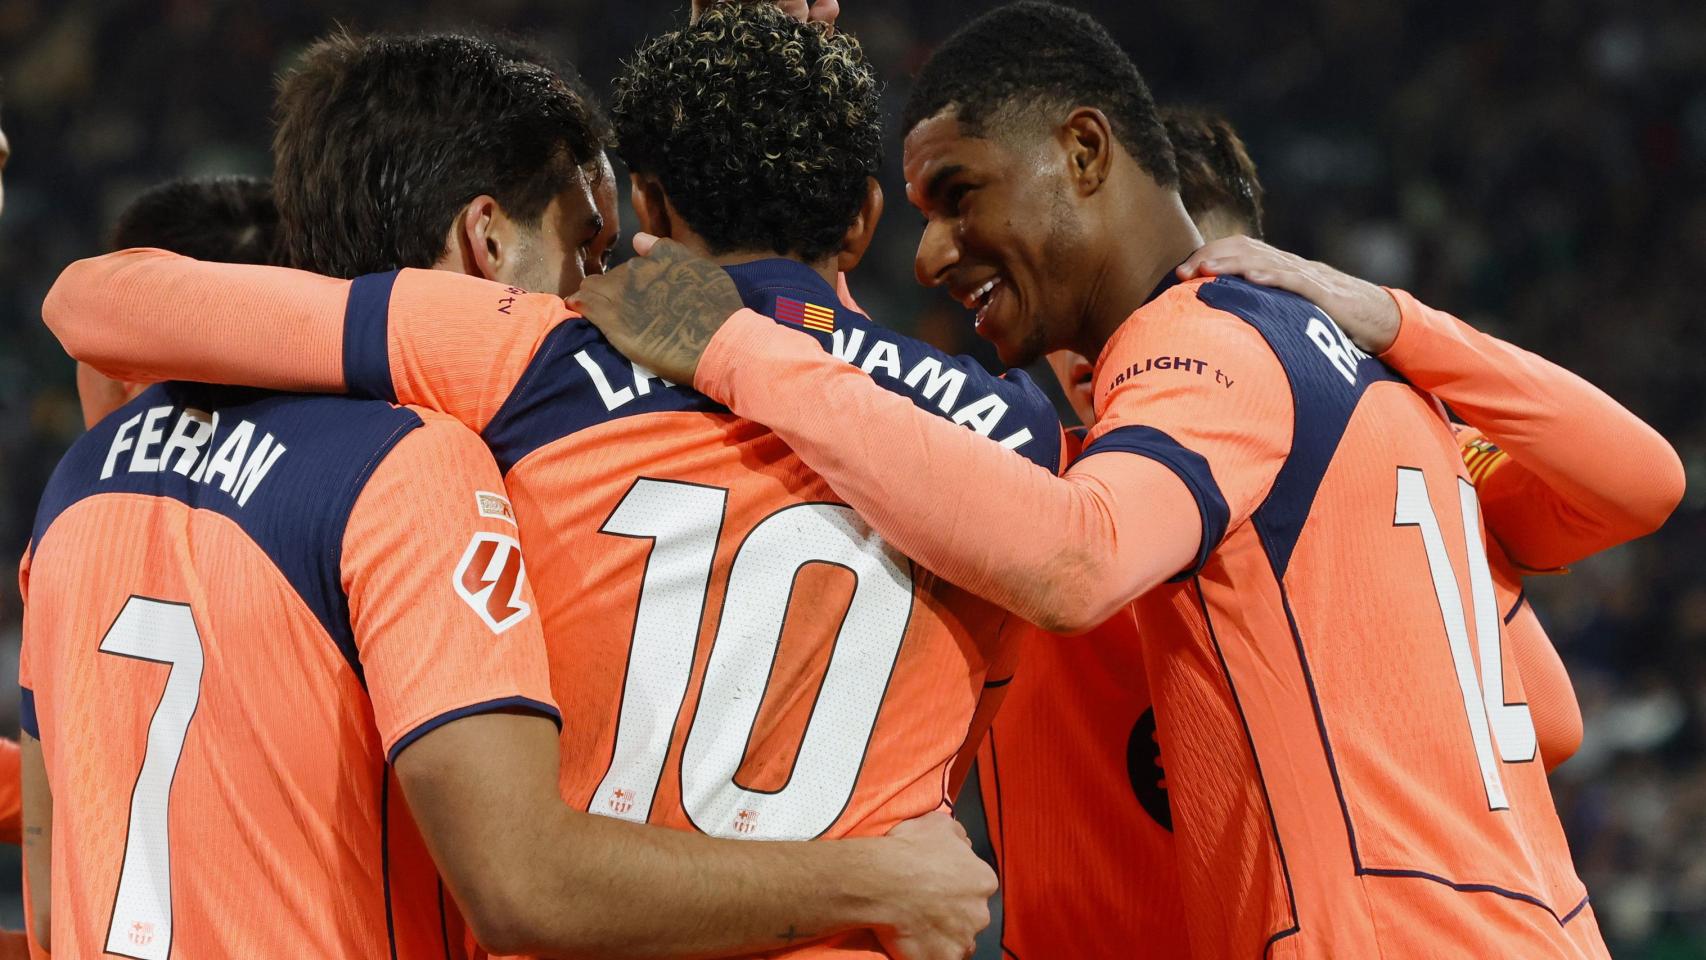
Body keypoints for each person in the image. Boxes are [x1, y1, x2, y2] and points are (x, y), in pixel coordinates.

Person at [567, 2, 1684, 956]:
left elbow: (1072, 553)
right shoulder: (1381, 408)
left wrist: (731, 335)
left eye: (959, 195)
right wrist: (1396, 321)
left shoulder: (1178, 360)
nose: (932, 252)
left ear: (1086, 156)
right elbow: (1546, 698)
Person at [39, 17, 999, 960]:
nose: (603, 289)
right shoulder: (418, 467)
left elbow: (90, 300)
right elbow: (526, 883)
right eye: (590, 250)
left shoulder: (84, 480)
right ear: (486, 246)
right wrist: (879, 878)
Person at [982, 107, 1593, 959]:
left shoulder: (1026, 481)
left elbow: (1639, 489)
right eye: (1107, 295)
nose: (1143, 327)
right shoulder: (1371, 448)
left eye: (1201, 289)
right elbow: (1549, 719)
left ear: (1274, 283)